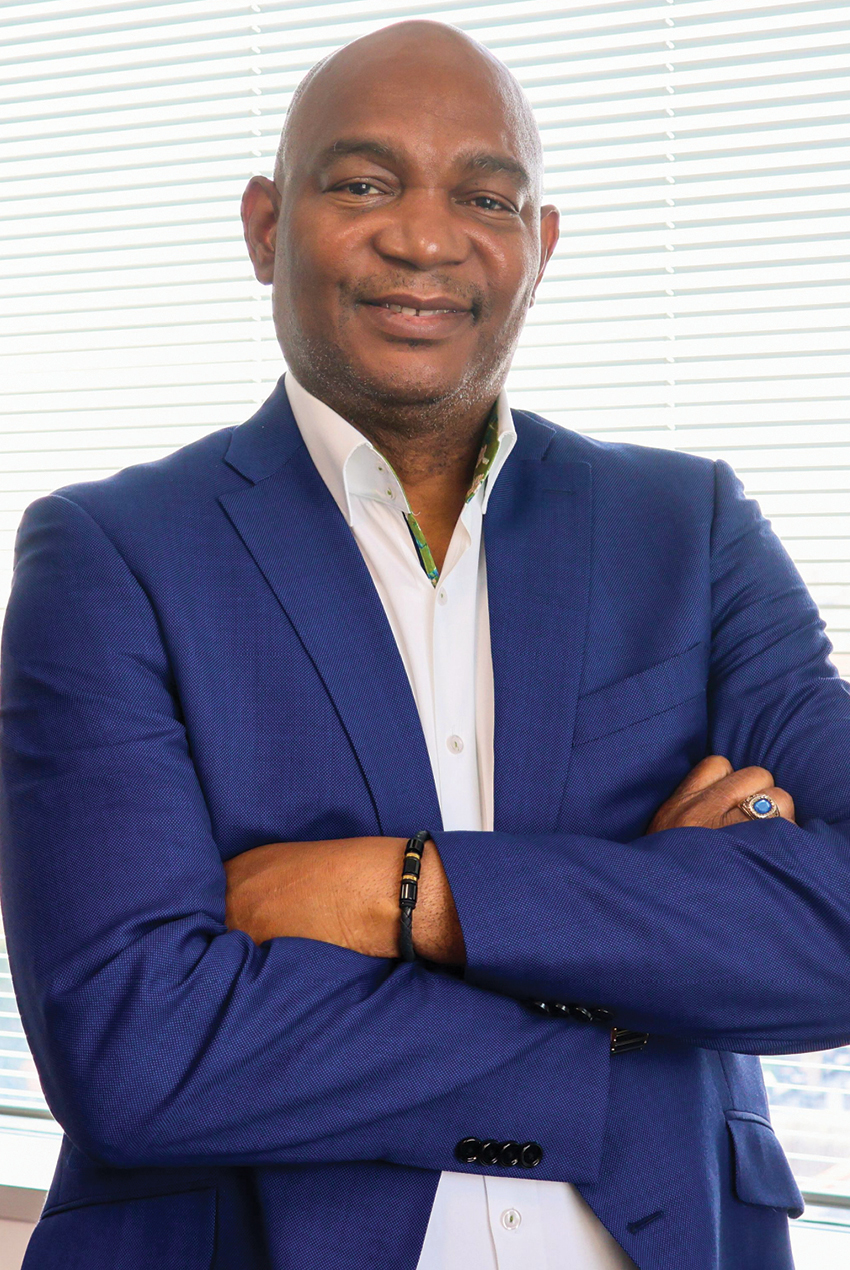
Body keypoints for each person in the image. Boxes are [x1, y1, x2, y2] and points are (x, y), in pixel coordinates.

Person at [2, 18, 849, 1270]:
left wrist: (411, 893)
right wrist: (631, 982)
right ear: (264, 226)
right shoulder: (110, 553)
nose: (424, 237)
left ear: (539, 247)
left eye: (485, 197)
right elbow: (138, 1049)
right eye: (362, 183)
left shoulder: (690, 527)